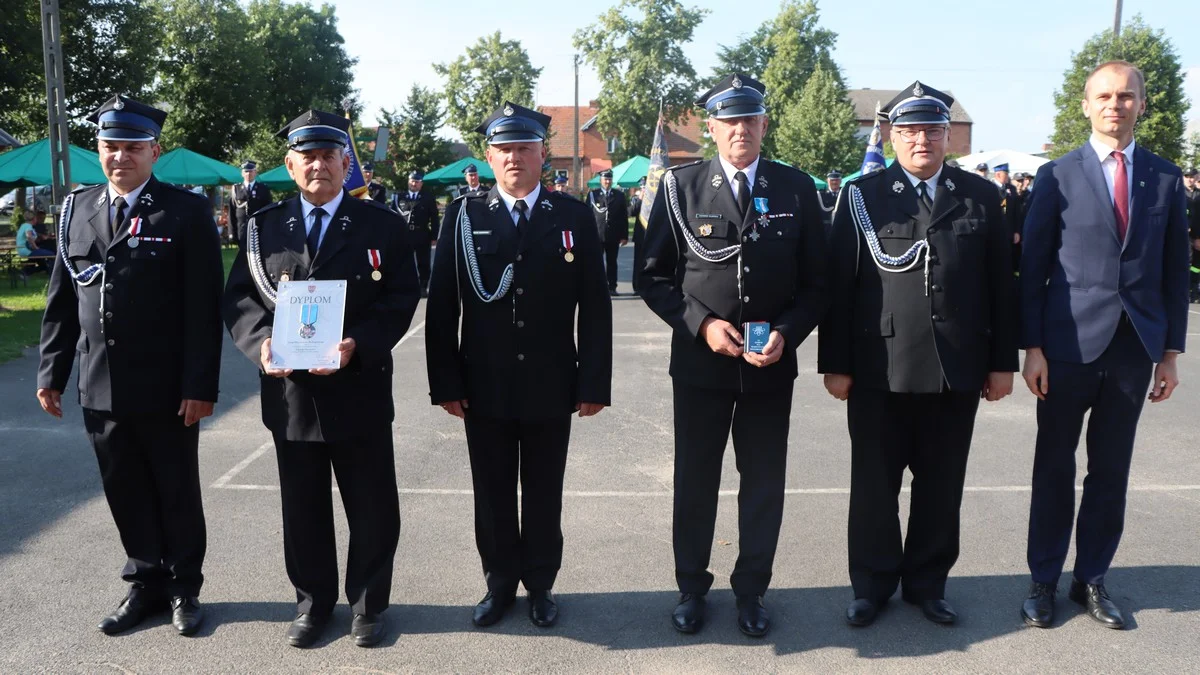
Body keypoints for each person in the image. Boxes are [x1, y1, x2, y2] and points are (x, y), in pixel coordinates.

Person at [819, 81, 1017, 628]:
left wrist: (1003, 362)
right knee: (874, 487)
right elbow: (840, 285)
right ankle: (872, 585)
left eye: (932, 129)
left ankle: (928, 584)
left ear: (948, 136)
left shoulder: (980, 197)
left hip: (957, 368)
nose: (921, 139)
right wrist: (834, 363)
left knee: (941, 484)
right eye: (908, 131)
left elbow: (1003, 285)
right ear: (891, 136)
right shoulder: (862, 195)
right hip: (878, 366)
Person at [222, 109, 421, 648]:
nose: (319, 166)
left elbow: (403, 296)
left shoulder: (382, 224)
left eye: (329, 155)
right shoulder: (264, 226)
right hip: (291, 393)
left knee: (373, 506)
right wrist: (259, 344)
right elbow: (241, 297)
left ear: (345, 162)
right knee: (303, 509)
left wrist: (361, 343)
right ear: (290, 164)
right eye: (307, 156)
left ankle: (369, 605)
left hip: (358, 386)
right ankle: (312, 604)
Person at [639, 73, 827, 637]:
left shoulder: (796, 188)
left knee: (764, 482)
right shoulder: (680, 187)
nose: (740, 129)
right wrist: (702, 325)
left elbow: (817, 284)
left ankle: (752, 590)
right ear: (713, 128)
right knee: (695, 481)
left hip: (771, 367)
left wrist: (788, 333)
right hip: (701, 368)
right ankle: (691, 587)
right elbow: (654, 278)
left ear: (764, 125)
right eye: (730, 120)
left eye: (751, 119)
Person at [36, 94, 224, 637]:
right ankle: (145, 582)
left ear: (154, 151)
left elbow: (203, 309)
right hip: (99, 384)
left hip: (166, 387)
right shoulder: (77, 208)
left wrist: (199, 384)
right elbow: (61, 299)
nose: (120, 157)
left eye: (132, 148)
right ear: (98, 150)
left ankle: (185, 588)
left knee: (175, 488)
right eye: (109, 146)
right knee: (124, 488)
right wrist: (51, 371)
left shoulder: (184, 211)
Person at [425, 101, 612, 629]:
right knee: (492, 491)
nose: (514, 157)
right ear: (488, 155)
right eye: (504, 148)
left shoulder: (573, 216)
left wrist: (593, 379)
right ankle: (499, 583)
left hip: (553, 381)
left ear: (541, 153)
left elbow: (595, 308)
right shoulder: (463, 216)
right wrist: (446, 382)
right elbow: (442, 307)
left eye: (524, 147)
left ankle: (542, 585)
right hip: (484, 384)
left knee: (545, 490)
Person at [1019, 60, 1189, 631]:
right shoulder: (1056, 176)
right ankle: (1042, 580)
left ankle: (1091, 578)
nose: (1115, 104)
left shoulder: (1165, 178)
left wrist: (1169, 353)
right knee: (1053, 467)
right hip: (1066, 348)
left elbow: (1173, 273)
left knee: (1111, 470)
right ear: (1086, 105)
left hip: (1132, 350)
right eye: (1104, 96)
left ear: (1142, 104)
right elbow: (1032, 268)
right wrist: (1033, 347)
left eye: (1126, 96)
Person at [392, 170, 439, 296]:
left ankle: (423, 286)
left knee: (423, 262)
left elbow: (434, 218)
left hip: (422, 233)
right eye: (412, 181)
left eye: (417, 182)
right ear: (408, 181)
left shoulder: (428, 197)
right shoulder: (399, 197)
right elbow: (393, 216)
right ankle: (404, 286)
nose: (414, 184)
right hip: (404, 234)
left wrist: (434, 236)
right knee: (403, 261)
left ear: (421, 184)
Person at [586, 169, 629, 295]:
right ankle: (597, 286)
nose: (607, 181)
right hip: (597, 235)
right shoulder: (593, 195)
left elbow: (623, 217)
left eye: (609, 179)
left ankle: (612, 287)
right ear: (601, 180)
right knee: (596, 263)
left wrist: (624, 236)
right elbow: (587, 216)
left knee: (612, 262)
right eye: (605, 179)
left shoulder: (619, 195)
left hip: (613, 235)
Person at [229, 161, 273, 249]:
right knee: (242, 258)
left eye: (251, 171)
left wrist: (268, 229)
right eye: (246, 171)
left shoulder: (263, 188)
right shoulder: (236, 189)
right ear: (242, 173)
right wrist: (231, 232)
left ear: (255, 173)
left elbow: (269, 211)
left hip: (258, 228)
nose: (248, 174)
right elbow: (231, 213)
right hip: (241, 230)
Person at [992, 163, 1022, 272]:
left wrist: (1017, 231)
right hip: (994, 232)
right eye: (1006, 173)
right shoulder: (989, 188)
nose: (1008, 176)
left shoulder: (1011, 189)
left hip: (1009, 232)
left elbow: (1016, 212)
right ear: (998, 175)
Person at [1183, 168, 1200, 301]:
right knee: (1185, 261)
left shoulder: (1198, 195)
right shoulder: (1178, 192)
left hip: (1196, 236)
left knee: (1196, 265)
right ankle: (1184, 289)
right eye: (1187, 176)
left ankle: (1193, 290)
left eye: (1192, 177)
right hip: (1182, 234)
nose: (1189, 179)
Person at [818, 169, 843, 234]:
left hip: (842, 230)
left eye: (837, 180)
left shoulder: (845, 194)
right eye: (832, 180)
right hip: (825, 230)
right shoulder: (820, 194)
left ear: (841, 181)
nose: (834, 182)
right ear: (827, 180)